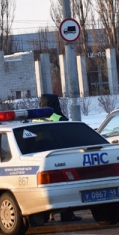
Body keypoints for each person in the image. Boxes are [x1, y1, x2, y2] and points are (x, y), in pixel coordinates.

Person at [39, 94, 82, 222]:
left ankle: (47, 215)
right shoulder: (58, 118)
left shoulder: (37, 118)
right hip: (59, 156)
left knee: (46, 188)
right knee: (65, 185)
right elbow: (67, 137)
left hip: (41, 158)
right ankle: (67, 215)